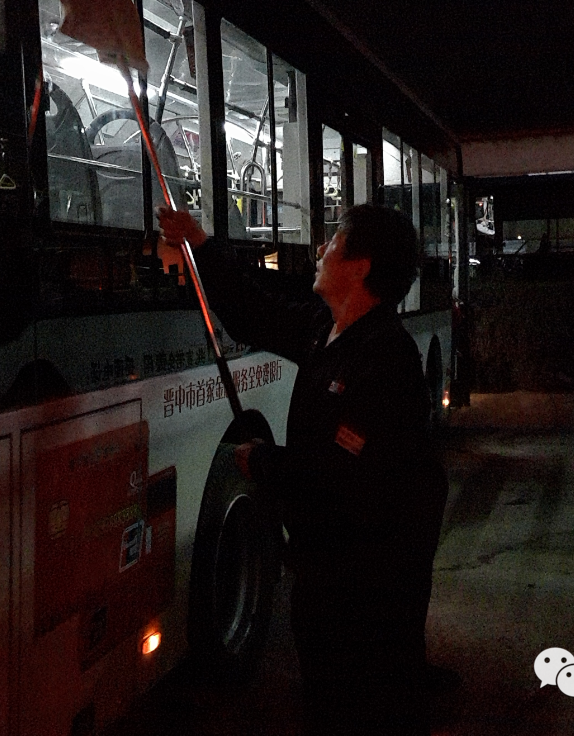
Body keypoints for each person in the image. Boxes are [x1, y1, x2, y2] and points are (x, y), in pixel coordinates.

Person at [157, 204, 450, 736]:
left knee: (369, 701)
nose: (320, 250)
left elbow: (344, 475)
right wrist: (198, 242)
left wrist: (262, 460)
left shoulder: (386, 357)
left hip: (371, 583)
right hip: (324, 568)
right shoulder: (325, 329)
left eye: (333, 242)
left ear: (360, 266)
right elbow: (251, 311)